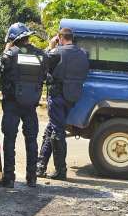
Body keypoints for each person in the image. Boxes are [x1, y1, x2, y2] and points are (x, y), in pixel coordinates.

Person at [0, 22, 48, 188]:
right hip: (31, 106)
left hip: (12, 104)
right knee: (32, 141)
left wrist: (7, 49)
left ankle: (9, 178)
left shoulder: (10, 54)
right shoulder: (41, 55)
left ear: (13, 39)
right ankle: (32, 178)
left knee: (9, 140)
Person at [37, 27, 89, 180]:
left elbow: (41, 63)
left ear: (60, 38)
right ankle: (40, 166)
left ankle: (61, 170)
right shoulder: (83, 54)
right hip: (72, 97)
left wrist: (50, 46)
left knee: (56, 132)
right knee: (52, 128)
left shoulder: (57, 52)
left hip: (57, 96)